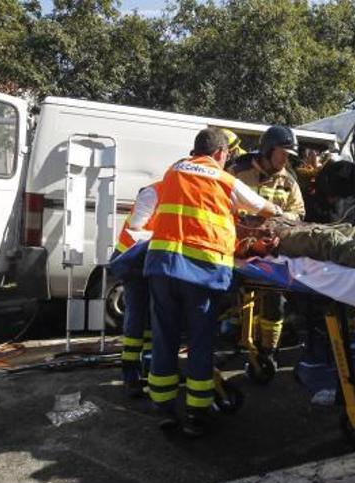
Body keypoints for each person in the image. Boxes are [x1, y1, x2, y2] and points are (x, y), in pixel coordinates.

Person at [144, 128, 281, 437]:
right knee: (200, 341)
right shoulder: (222, 179)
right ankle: (196, 412)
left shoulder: (173, 170)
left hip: (163, 267)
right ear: (220, 154)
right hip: (199, 272)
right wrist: (281, 213)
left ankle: (164, 409)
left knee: (164, 338)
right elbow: (261, 206)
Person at [230, 125, 307, 366]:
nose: (287, 159)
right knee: (229, 299)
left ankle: (268, 351)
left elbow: (299, 213)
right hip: (238, 250)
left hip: (271, 251)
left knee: (275, 302)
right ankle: (236, 340)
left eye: (290, 155)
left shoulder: (288, 181)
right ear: (267, 149)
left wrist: (279, 222)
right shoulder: (238, 172)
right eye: (283, 152)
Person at [112, 181, 161, 398]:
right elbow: (135, 228)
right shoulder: (154, 192)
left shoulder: (177, 193)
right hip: (132, 259)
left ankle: (149, 368)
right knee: (137, 317)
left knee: (152, 316)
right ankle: (130, 373)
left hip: (151, 259)